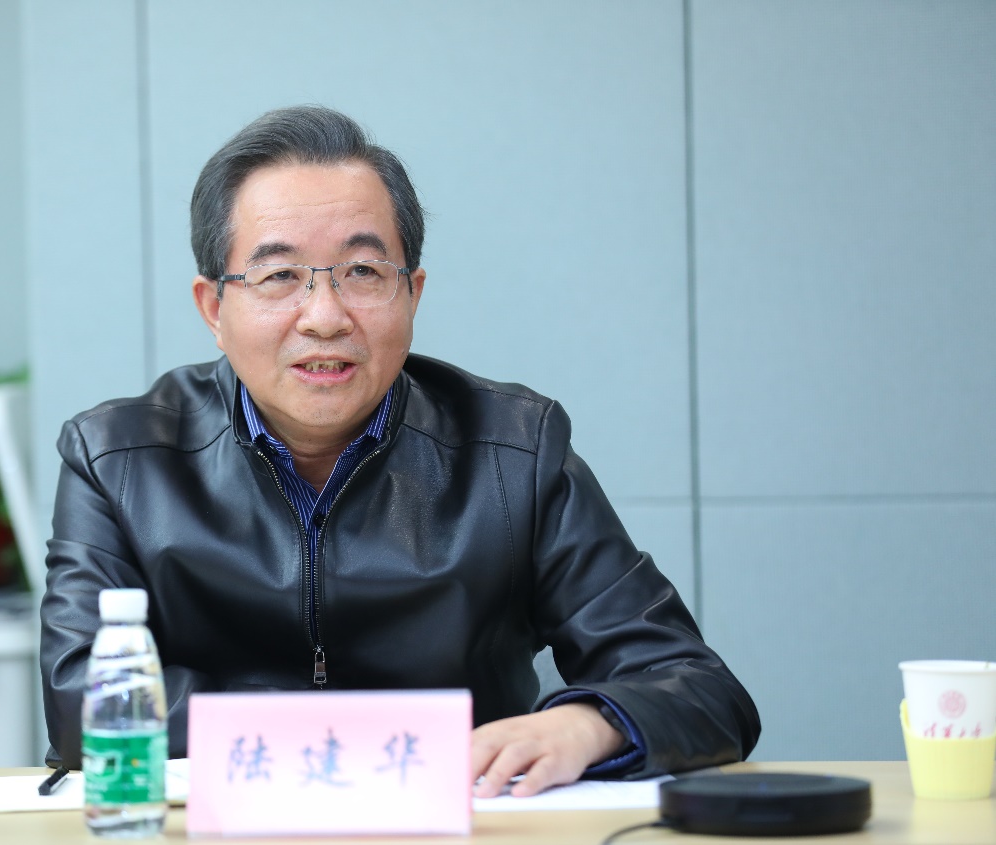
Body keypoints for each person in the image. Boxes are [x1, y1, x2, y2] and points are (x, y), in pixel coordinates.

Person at [40, 105, 760, 797]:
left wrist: (588, 723)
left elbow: (700, 690)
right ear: (214, 308)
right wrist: (380, 742)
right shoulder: (117, 459)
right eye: (279, 275)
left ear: (411, 293)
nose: (324, 317)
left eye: (362, 272)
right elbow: (83, 704)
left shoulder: (513, 453)